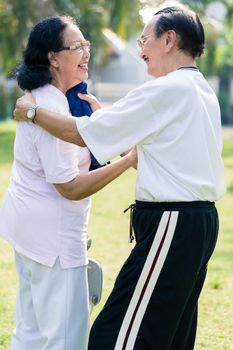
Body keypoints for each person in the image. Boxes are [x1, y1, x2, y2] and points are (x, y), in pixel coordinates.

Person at [13, 3, 226, 350]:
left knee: (114, 338)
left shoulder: (164, 90)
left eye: (145, 40)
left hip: (171, 225)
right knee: (168, 334)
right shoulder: (199, 89)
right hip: (198, 223)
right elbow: (163, 153)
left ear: (169, 39)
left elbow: (80, 134)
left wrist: (31, 112)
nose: (140, 50)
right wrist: (115, 127)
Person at [0, 15, 137, 350]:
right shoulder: (49, 105)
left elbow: (87, 138)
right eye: (77, 47)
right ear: (53, 57)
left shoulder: (51, 99)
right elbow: (70, 186)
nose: (86, 52)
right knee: (66, 340)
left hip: (31, 234)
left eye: (86, 44)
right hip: (53, 243)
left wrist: (102, 121)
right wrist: (129, 161)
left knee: (30, 334)